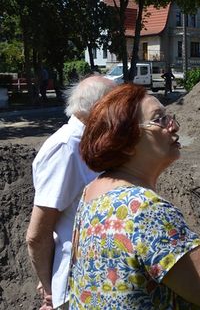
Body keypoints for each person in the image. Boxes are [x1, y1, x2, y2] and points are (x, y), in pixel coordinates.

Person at [68, 83, 200, 308]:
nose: (173, 126)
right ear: (126, 142)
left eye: (168, 116)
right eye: (159, 119)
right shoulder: (144, 210)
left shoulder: (94, 191)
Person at [26, 75, 117, 310]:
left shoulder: (88, 145)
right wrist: (49, 290)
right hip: (76, 287)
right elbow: (38, 234)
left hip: (94, 280)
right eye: (118, 103)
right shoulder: (66, 148)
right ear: (100, 109)